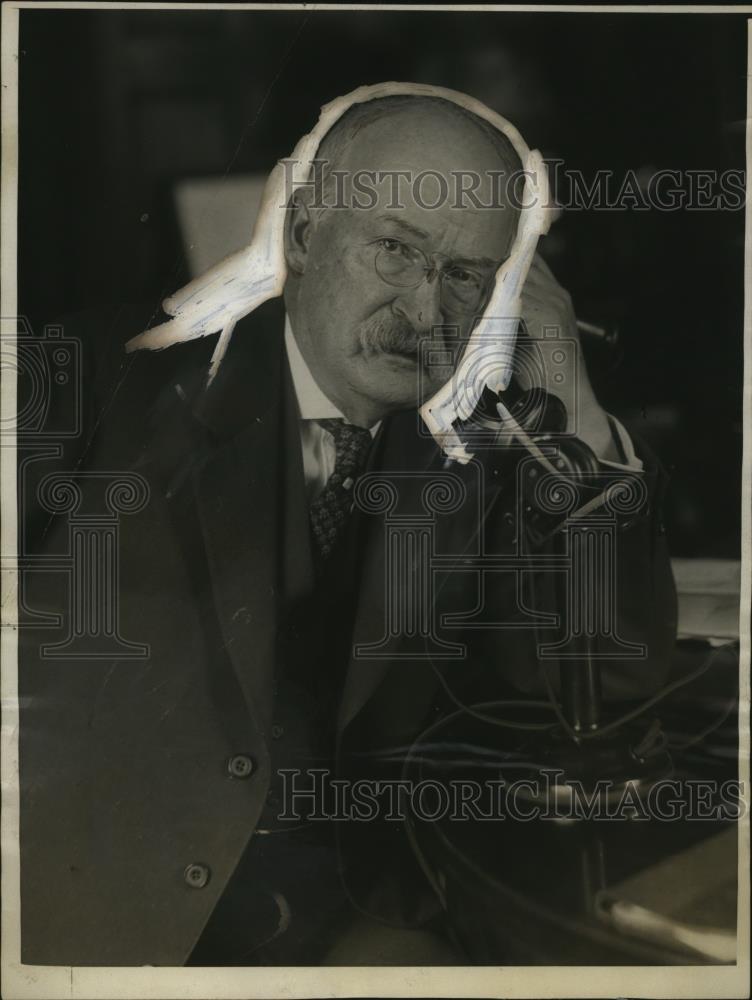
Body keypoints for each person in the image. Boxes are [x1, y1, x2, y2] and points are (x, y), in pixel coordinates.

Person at [19, 89, 676, 966]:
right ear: (298, 237)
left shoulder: (485, 454)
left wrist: (581, 407)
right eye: (397, 251)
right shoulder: (91, 390)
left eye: (467, 274)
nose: (425, 311)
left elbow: (609, 679)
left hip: (358, 932)